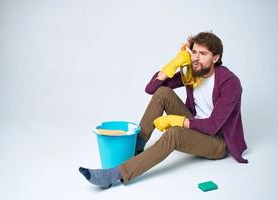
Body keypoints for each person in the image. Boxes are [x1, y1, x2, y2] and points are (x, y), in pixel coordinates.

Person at [79, 32, 248, 189]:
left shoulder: (230, 83)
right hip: (195, 125)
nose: (196, 58)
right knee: (163, 93)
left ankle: (114, 175)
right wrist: (174, 63)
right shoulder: (192, 71)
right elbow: (152, 89)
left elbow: (212, 126)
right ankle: (136, 148)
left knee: (174, 133)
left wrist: (176, 120)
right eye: (194, 52)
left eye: (203, 54)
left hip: (217, 142)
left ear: (215, 58)